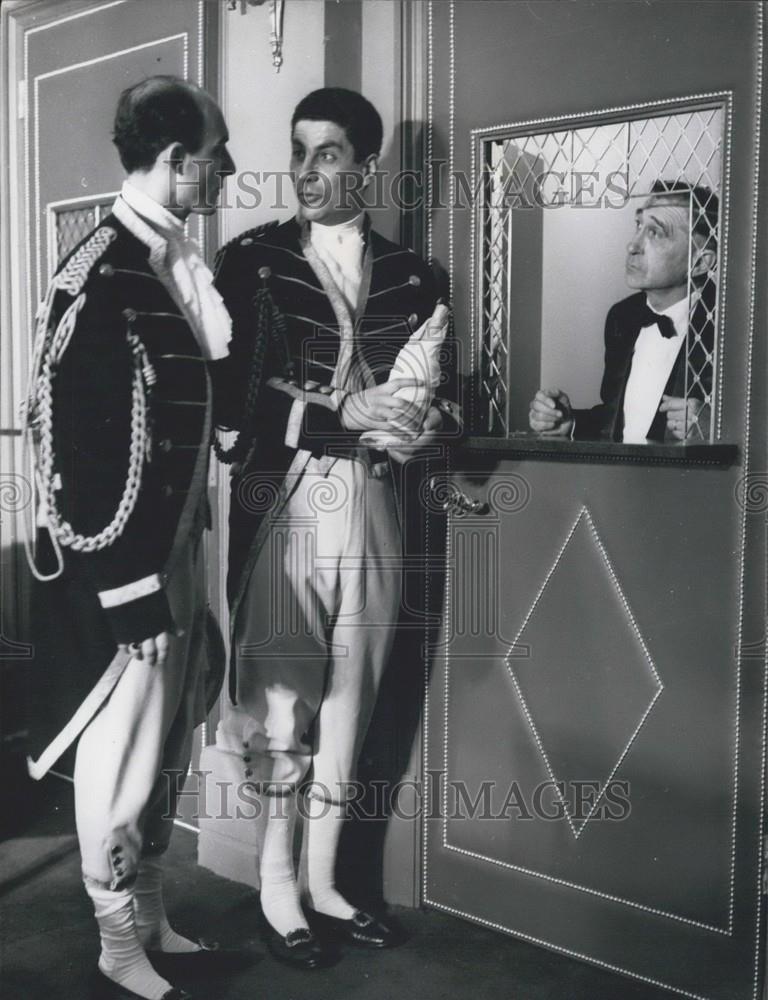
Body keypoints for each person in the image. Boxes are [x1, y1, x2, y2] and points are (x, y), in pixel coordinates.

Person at [213, 87, 461, 970]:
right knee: (281, 703)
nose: (307, 171)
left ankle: (324, 882)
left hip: (376, 499)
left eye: (327, 153)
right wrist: (337, 413)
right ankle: (276, 887)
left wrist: (429, 427)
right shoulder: (250, 261)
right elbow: (230, 396)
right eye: (299, 150)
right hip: (284, 502)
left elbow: (437, 399)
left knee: (354, 698)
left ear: (366, 164)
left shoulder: (417, 277)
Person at [24, 76, 236, 1000]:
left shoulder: (165, 260)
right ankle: (117, 944)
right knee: (122, 750)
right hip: (127, 565)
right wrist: (127, 586)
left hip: (178, 550)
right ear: (178, 159)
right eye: (218, 154)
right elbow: (72, 444)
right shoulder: (100, 271)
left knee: (169, 738)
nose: (230, 167)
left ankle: (149, 917)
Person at [528, 182, 718, 443]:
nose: (632, 245)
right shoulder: (622, 316)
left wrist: (718, 429)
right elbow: (619, 421)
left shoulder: (730, 326)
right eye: (638, 225)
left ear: (700, 262)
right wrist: (570, 423)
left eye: (655, 232)